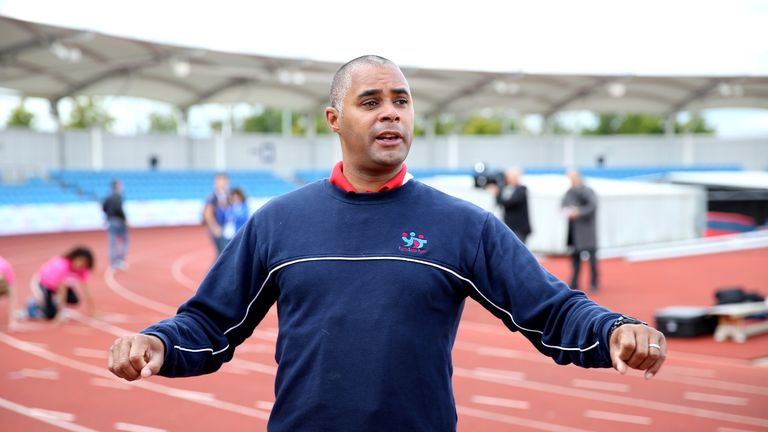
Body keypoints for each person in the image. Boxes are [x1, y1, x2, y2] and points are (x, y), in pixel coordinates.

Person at [108, 55, 666, 431]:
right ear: (334, 119)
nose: (391, 111)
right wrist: (158, 343)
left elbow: (552, 309)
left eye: (401, 100)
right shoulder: (277, 222)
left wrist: (614, 330)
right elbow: (210, 324)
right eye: (370, 101)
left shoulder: (462, 225)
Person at [28, 246, 95, 323]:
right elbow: (62, 291)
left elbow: (87, 291)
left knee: (74, 300)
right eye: (80, 260)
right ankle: (35, 303)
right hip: (45, 284)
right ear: (74, 257)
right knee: (50, 315)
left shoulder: (82, 269)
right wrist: (60, 313)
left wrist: (93, 311)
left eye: (84, 263)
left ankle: (54, 303)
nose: (81, 264)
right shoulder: (62, 266)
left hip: (61, 286)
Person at [561, 169, 599, 292]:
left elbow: (592, 206)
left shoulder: (587, 191)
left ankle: (594, 282)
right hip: (574, 230)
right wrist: (567, 211)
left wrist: (578, 212)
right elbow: (563, 205)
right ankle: (574, 282)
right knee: (575, 258)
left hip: (586, 230)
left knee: (592, 259)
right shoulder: (569, 192)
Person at [485, 167, 532, 244]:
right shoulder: (508, 189)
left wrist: (497, 194)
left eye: (509, 177)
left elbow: (510, 203)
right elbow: (501, 203)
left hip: (519, 229)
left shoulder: (522, 190)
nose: (507, 179)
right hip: (512, 227)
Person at [102, 178, 129, 270]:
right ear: (117, 186)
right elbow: (119, 209)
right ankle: (120, 260)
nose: (122, 187)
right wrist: (125, 220)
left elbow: (104, 208)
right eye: (120, 185)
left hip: (110, 221)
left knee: (112, 243)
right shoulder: (118, 196)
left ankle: (113, 262)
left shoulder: (108, 196)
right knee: (124, 241)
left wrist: (109, 216)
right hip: (119, 221)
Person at [203, 172, 230, 254]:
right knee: (224, 252)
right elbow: (207, 213)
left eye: (224, 181)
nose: (222, 184)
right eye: (220, 181)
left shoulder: (228, 195)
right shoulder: (212, 196)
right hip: (219, 229)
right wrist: (214, 228)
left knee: (225, 253)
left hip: (228, 230)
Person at [0, 256, 19, 331]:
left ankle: (13, 321)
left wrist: (12, 321)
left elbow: (12, 295)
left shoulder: (6, 267)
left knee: (12, 296)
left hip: (7, 283)